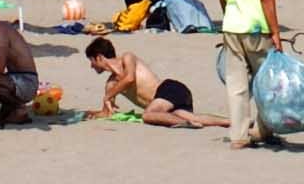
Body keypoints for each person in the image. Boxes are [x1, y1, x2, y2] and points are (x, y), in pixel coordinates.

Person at [214, 0, 284, 149]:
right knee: (266, 82)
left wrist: (229, 18)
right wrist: (275, 31)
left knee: (237, 85)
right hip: (256, 27)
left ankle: (239, 136)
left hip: (232, 25)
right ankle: (265, 130)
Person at [85, 36, 227, 128]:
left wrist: (108, 96)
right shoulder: (110, 85)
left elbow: (129, 78)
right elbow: (107, 112)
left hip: (169, 89)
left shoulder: (127, 58)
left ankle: (187, 123)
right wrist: (91, 114)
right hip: (164, 108)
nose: (91, 66)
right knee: (195, 118)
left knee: (147, 115)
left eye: (91, 61)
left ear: (99, 57)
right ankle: (231, 122)